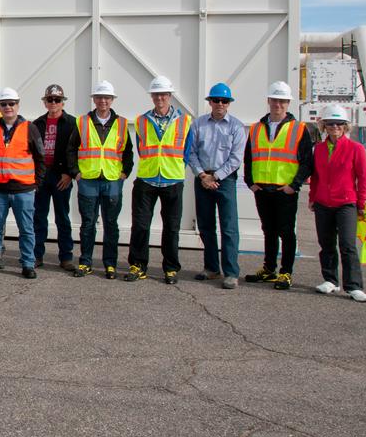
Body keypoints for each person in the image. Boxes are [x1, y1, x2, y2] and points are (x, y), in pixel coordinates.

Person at [243, 81, 314, 291]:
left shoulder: (299, 129)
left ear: (288, 103)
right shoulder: (256, 128)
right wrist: (250, 182)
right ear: (269, 101)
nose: (278, 104)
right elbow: (248, 157)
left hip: (285, 190)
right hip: (263, 189)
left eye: (282, 101)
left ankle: (286, 272)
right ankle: (269, 269)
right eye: (275, 100)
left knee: (286, 231)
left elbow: (307, 162)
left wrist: (294, 185)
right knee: (268, 230)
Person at [125, 76, 192, 285]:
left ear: (170, 96)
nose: (160, 98)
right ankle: (138, 265)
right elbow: (141, 147)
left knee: (171, 227)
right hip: (147, 179)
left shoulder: (185, 121)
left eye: (163, 94)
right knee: (140, 225)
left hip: (172, 180)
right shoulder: (142, 120)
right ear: (152, 97)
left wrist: (176, 169)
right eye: (156, 94)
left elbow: (188, 151)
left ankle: (171, 268)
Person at [185, 82, 247, 289]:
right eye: (216, 100)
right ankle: (211, 268)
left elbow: (236, 158)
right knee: (206, 225)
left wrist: (216, 177)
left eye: (224, 101)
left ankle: (231, 272)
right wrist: (203, 175)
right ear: (210, 102)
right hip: (202, 178)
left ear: (228, 103)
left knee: (229, 228)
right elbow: (191, 152)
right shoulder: (198, 124)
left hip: (225, 179)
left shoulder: (236, 127)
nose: (220, 104)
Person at [69, 81, 133, 278]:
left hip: (112, 180)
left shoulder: (121, 123)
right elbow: (70, 149)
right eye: (99, 97)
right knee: (88, 223)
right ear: (94, 100)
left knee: (111, 224)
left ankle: (110, 263)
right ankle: (85, 262)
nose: (103, 101)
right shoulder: (82, 122)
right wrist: (75, 173)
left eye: (106, 98)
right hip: (88, 179)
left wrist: (125, 173)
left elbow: (128, 152)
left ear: (112, 100)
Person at [0, 87, 43, 277]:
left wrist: (35, 183)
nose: (8, 107)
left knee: (26, 229)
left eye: (11, 104)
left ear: (17, 105)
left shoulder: (29, 128)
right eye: (4, 104)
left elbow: (40, 158)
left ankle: (28, 264)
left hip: (23, 189)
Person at [310, 106, 366, 302]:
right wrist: (313, 197)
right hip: (322, 203)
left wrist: (361, 204)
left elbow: (364, 178)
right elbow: (316, 176)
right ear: (324, 127)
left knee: (347, 245)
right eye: (330, 124)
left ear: (345, 127)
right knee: (326, 243)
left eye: (338, 124)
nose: (334, 127)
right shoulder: (318, 149)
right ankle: (330, 280)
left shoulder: (356, 149)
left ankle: (353, 286)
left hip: (346, 203)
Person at [31, 83, 77, 271]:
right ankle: (36, 255)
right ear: (45, 102)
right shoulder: (37, 124)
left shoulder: (72, 123)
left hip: (61, 176)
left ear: (62, 102)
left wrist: (69, 173)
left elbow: (75, 151)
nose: (53, 103)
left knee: (62, 218)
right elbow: (31, 151)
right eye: (50, 99)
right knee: (39, 217)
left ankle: (66, 257)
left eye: (57, 100)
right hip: (42, 176)